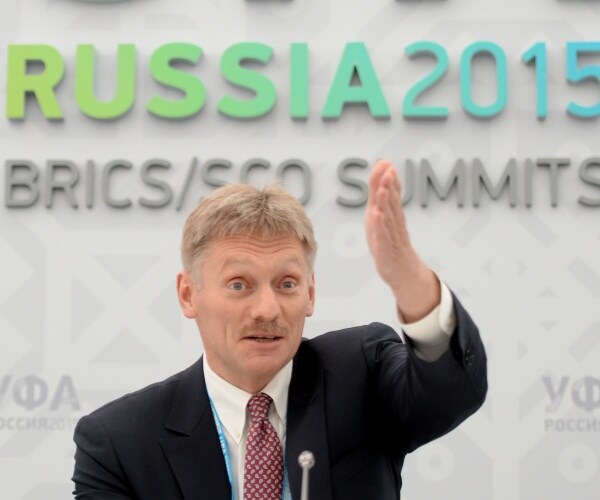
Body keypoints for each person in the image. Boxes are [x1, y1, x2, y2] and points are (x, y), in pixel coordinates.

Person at [72, 159, 487, 499]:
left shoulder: (362, 375)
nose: (267, 310)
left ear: (310, 293)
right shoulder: (119, 443)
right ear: (188, 294)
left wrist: (408, 280)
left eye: (287, 284)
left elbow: (450, 392)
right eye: (239, 285)